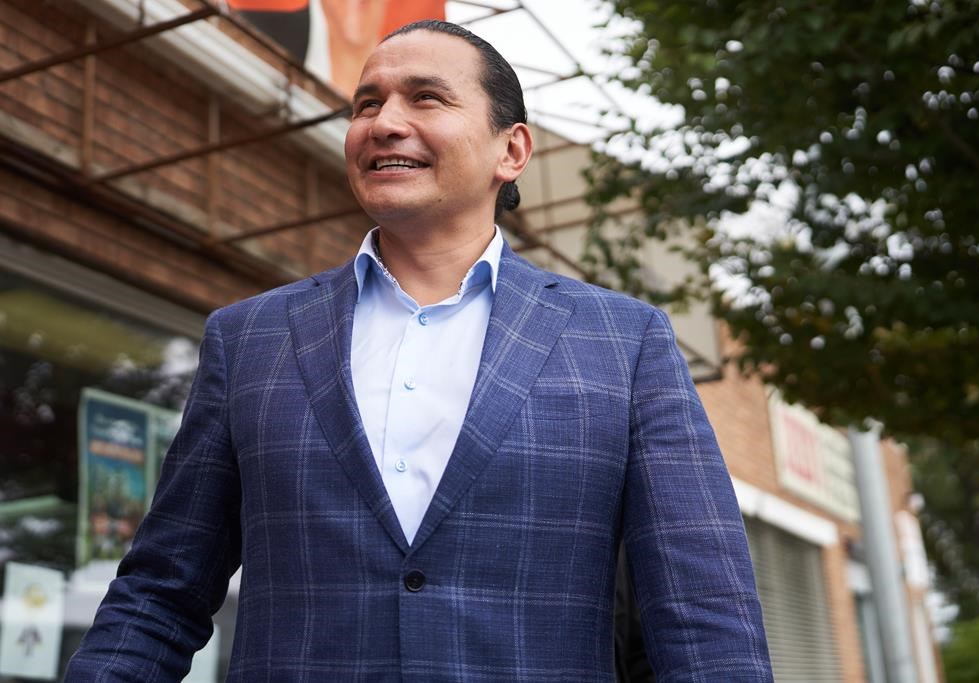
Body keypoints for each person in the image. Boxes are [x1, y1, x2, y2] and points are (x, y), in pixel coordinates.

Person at [66, 20, 772, 681]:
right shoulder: (249, 337)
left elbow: (702, 611)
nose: (385, 122)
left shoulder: (624, 341)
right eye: (366, 104)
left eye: (425, 98)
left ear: (512, 150)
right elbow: (161, 591)